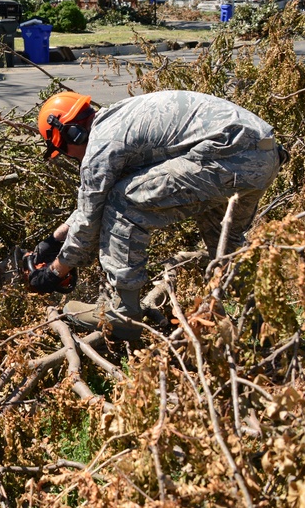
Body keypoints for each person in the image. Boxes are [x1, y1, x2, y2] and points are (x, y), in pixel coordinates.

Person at [23, 90, 285, 340]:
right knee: (225, 239)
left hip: (226, 155)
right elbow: (92, 202)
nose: (71, 158)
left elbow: (92, 216)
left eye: (65, 152)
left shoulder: (101, 146)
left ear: (72, 134)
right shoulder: (119, 122)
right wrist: (54, 240)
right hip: (262, 155)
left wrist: (56, 272)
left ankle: (124, 313)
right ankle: (262, 326)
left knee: (123, 203)